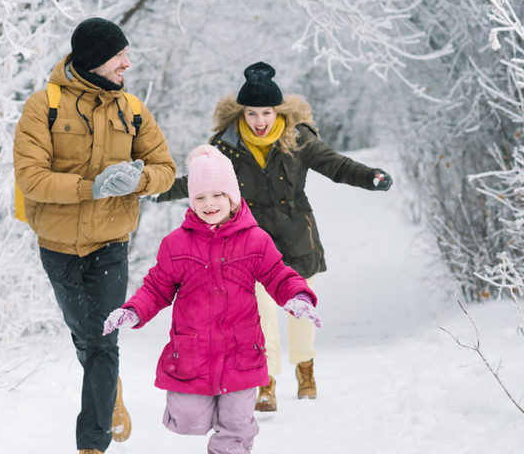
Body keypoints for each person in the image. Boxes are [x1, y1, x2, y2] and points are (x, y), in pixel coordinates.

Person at [156, 61, 392, 412]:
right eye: (252, 113)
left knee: (300, 312)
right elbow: (198, 183)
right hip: (250, 244)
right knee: (260, 315)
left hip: (297, 237)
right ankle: (266, 381)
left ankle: (305, 367)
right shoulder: (227, 146)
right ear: (242, 113)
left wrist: (370, 176)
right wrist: (152, 189)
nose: (260, 121)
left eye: (266, 112)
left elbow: (336, 165)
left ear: (277, 111)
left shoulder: (298, 139)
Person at [102, 145, 322, 454]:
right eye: (201, 196)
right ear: (191, 201)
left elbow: (279, 275)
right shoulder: (176, 244)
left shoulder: (255, 240)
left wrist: (297, 297)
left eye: (218, 194)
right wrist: (133, 311)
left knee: (236, 427)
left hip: (242, 354)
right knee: (186, 417)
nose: (210, 203)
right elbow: (157, 287)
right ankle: (202, 422)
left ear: (233, 197)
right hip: (192, 354)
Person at [12, 17, 176, 454]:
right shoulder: (43, 107)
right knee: (86, 337)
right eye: (119, 55)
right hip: (58, 246)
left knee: (103, 339)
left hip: (111, 245)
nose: (128, 62)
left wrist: (139, 180)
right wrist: (94, 187)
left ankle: (92, 447)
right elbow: (33, 179)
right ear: (93, 60)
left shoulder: (132, 109)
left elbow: (165, 167)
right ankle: (110, 393)